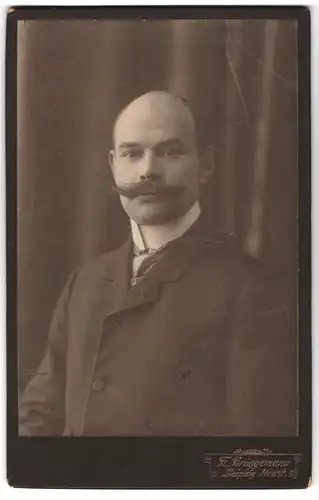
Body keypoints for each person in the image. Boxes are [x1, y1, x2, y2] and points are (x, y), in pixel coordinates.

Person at [19, 91, 296, 436]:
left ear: (205, 165)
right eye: (131, 154)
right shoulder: (84, 282)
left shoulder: (250, 289)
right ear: (113, 165)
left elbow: (250, 449)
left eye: (169, 151)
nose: (147, 170)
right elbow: (37, 420)